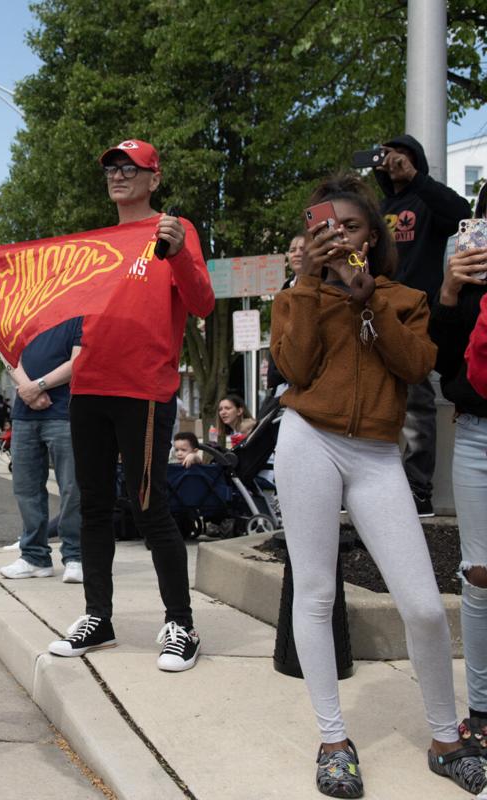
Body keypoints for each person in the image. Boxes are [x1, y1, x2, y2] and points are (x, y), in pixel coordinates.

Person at [271, 172, 482, 797]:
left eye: (352, 226)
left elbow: (418, 367)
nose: (338, 238)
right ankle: (333, 739)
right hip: (308, 439)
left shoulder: (402, 296)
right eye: (324, 228)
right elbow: (294, 367)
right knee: (314, 594)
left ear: (376, 234)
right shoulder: (297, 293)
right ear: (309, 239)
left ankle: (446, 738)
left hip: (376, 456)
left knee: (421, 604)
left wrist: (367, 302)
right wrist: (311, 282)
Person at [32, 139, 214, 671]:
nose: (118, 175)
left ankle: (180, 622)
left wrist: (178, 250)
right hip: (88, 387)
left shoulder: (173, 232)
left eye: (130, 168)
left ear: (154, 178)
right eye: (111, 167)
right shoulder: (98, 243)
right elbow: (45, 289)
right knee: (89, 509)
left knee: (148, 506)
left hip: (144, 390)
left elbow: (202, 302)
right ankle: (98, 617)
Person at [374, 135, 473, 517]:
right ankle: (380, 487)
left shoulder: (427, 200)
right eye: (386, 157)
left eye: (399, 156)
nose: (392, 163)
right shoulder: (380, 206)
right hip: (378, 309)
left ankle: (418, 489)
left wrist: (415, 177)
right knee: (377, 397)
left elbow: (461, 212)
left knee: (417, 402)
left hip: (416, 313)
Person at [431, 181, 487, 757]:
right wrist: (449, 289)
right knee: (479, 575)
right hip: (476, 432)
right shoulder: (466, 263)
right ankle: (483, 709)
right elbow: (441, 359)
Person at [0, 315, 84, 584]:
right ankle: (34, 556)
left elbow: (78, 362)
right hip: (25, 413)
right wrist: (27, 388)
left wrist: (38, 386)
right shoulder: (25, 311)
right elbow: (8, 353)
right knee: (26, 488)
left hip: (64, 411)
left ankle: (75, 555)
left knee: (72, 487)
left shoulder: (78, 315)